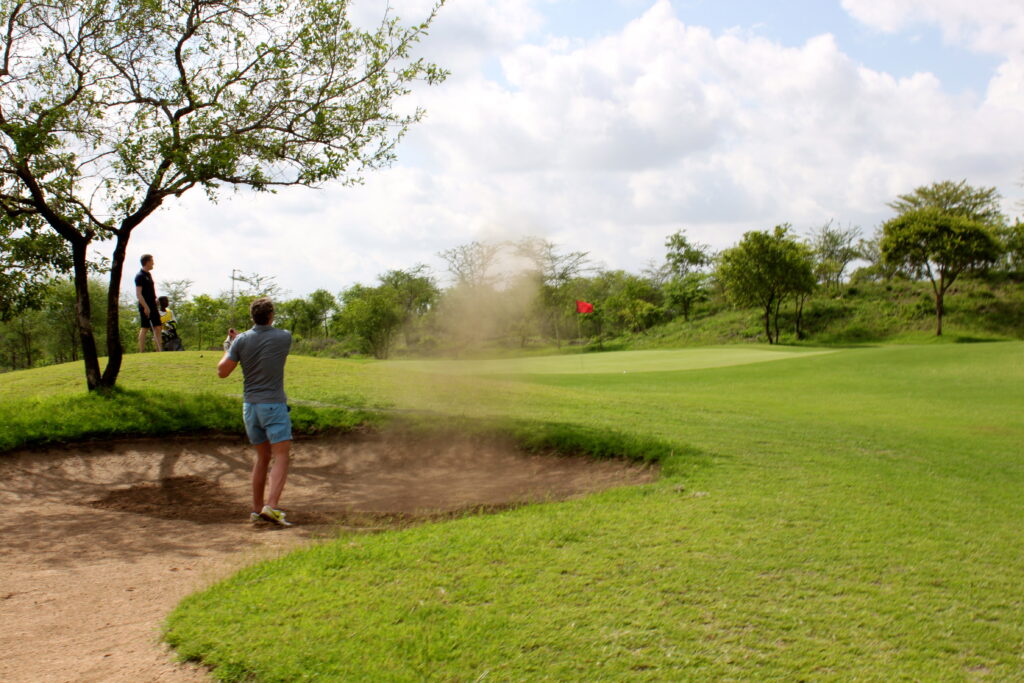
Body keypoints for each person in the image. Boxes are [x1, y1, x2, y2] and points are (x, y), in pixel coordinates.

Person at [217, 297, 294, 526]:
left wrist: (230, 346)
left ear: (252, 316)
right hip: (273, 405)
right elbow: (265, 344)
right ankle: (270, 506)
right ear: (271, 316)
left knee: (262, 457)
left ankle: (256, 509)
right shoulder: (284, 337)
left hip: (250, 408)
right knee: (281, 456)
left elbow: (222, 371)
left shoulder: (241, 341)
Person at [135, 254, 163, 352]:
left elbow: (150, 291)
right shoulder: (140, 276)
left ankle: (159, 350)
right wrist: (146, 307)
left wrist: (155, 300)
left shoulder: (149, 275)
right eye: (152, 261)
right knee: (145, 328)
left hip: (153, 305)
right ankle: (141, 351)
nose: (153, 263)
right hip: (144, 305)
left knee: (158, 327)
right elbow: (138, 294)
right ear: (147, 262)